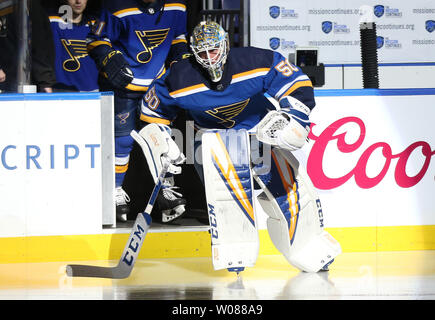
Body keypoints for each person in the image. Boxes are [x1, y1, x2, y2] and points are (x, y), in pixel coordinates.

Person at [138, 21, 340, 272]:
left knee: (288, 193)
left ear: (225, 45)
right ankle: (235, 252)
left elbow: (297, 82)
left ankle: (308, 245)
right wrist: (162, 141)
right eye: (202, 53)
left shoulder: (255, 60)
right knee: (228, 201)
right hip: (214, 140)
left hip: (260, 133)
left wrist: (294, 115)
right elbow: (151, 112)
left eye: (213, 50)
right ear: (193, 52)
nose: (209, 58)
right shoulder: (179, 77)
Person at [86, 0, 189, 222]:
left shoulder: (177, 7)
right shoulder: (117, 6)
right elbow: (95, 39)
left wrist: (180, 56)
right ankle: (114, 192)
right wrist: (108, 57)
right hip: (122, 86)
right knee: (122, 141)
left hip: (158, 85)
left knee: (161, 138)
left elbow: (179, 37)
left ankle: (166, 190)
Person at [0, 0, 56, 93]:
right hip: (6, 81)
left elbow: (40, 46)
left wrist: (45, 81)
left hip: (28, 81)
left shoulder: (31, 6)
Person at [47, 0, 99, 92]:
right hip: (61, 91)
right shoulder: (52, 22)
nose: (78, 1)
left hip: (93, 91)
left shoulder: (96, 25)